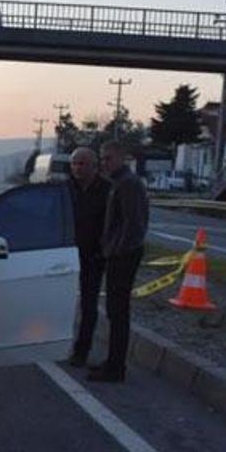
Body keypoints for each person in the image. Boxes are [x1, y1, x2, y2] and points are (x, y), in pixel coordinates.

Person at [89, 141, 149, 383]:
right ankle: (112, 362)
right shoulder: (119, 182)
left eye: (109, 158)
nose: (105, 163)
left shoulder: (128, 184)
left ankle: (116, 368)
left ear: (122, 158)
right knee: (115, 312)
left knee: (118, 312)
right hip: (118, 253)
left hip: (123, 256)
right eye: (102, 159)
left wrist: (115, 250)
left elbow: (133, 224)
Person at [65, 147, 110, 367]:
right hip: (65, 255)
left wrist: (103, 251)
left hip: (93, 257)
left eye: (82, 163)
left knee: (88, 305)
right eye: (74, 163)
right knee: (59, 301)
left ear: (94, 166)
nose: (77, 168)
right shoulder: (64, 189)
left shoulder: (108, 191)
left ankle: (82, 350)